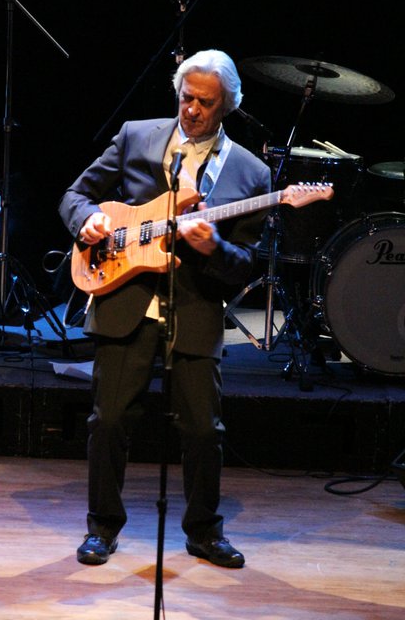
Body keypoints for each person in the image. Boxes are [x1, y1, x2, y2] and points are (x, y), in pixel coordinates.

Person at [59, 49, 271, 569]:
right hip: (124, 297)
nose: (192, 109)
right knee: (109, 421)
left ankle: (204, 532)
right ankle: (101, 528)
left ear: (227, 106)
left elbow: (248, 263)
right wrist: (87, 221)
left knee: (203, 431)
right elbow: (75, 195)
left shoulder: (251, 172)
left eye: (205, 102)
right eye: (186, 97)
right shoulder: (137, 136)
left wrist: (213, 248)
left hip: (195, 307)